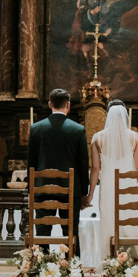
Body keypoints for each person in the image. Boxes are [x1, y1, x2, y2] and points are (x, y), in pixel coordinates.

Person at [84, 100, 138, 259]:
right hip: (129, 187)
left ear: (107, 115)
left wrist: (91, 194)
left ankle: (111, 259)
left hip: (108, 188)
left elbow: (95, 169)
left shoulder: (97, 138)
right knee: (132, 221)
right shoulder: (134, 137)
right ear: (125, 117)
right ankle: (137, 258)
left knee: (110, 223)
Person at [27, 89, 90, 256]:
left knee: (42, 234)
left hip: (42, 190)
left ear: (49, 104)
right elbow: (83, 164)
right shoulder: (78, 130)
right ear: (68, 105)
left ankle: (40, 268)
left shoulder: (36, 129)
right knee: (70, 233)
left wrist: (31, 191)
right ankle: (72, 267)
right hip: (69, 192)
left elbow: (31, 164)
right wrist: (84, 192)